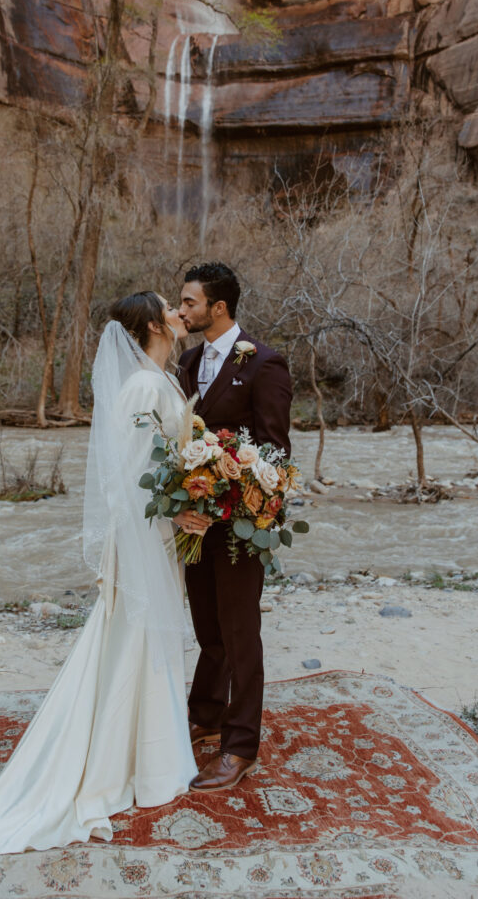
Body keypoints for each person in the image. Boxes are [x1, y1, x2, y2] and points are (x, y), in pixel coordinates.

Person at [0, 292, 201, 858]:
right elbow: (137, 478)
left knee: (146, 641)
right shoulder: (143, 387)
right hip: (147, 539)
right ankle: (136, 764)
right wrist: (178, 508)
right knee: (138, 639)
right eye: (169, 308)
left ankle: (150, 754)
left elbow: (166, 465)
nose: (177, 316)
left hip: (157, 540)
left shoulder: (159, 379)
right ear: (150, 325)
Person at [177, 262, 292, 792]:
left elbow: (274, 451)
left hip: (242, 525)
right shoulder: (188, 360)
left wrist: (246, 510)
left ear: (217, 308)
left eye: (189, 303)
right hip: (195, 521)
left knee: (241, 633)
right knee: (207, 626)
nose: (182, 311)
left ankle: (241, 745)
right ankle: (206, 712)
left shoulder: (264, 362)